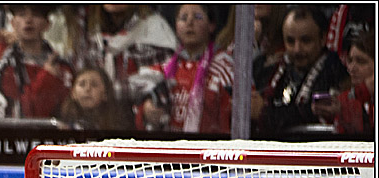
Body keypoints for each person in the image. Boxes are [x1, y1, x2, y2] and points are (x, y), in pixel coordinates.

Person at [135, 5, 235, 134]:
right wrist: (146, 111)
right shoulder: (163, 70)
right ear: (176, 26)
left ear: (211, 25)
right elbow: (136, 108)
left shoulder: (226, 68)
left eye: (197, 17)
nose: (189, 22)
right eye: (183, 18)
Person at [252, 7, 350, 136]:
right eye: (290, 41)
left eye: (306, 40)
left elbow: (310, 114)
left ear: (322, 39)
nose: (297, 49)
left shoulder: (335, 73)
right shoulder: (273, 70)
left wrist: (264, 112)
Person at [0, 4, 74, 120]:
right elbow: (18, 116)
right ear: (12, 23)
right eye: (22, 15)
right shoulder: (3, 68)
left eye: (36, 14)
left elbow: (70, 114)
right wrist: (46, 78)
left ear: (47, 24)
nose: (28, 20)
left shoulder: (63, 67)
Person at [56, 65, 132, 130]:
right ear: (73, 93)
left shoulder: (119, 123)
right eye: (82, 84)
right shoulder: (61, 121)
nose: (87, 89)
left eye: (94, 84)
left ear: (105, 94)